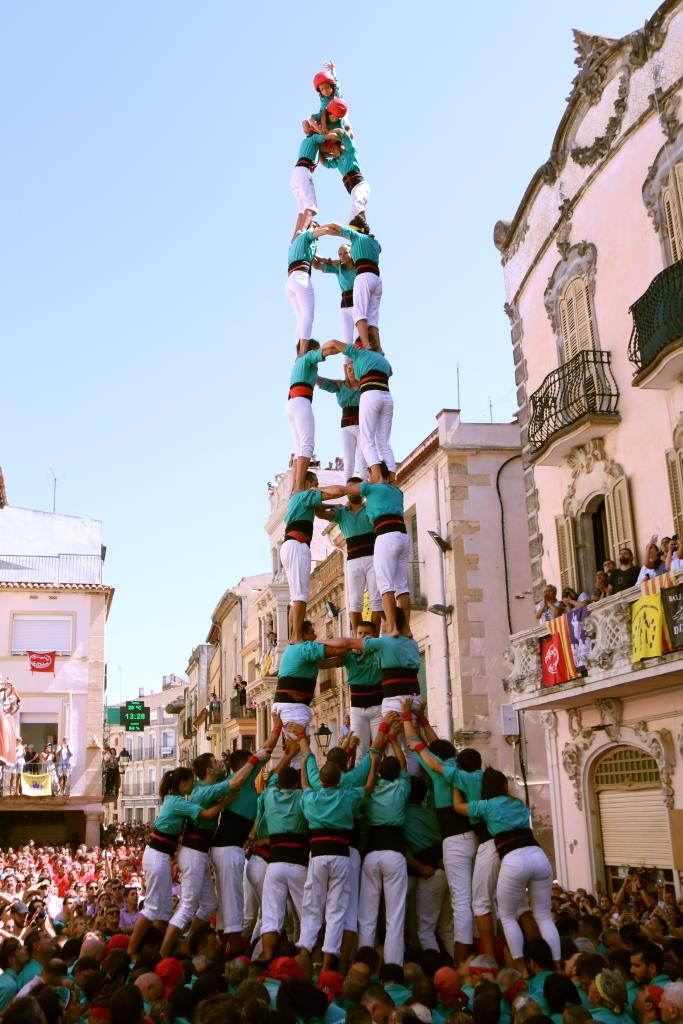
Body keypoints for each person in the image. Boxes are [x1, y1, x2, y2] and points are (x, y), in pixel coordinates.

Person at [158, 748, 271, 957]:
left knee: (210, 905)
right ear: (209, 770)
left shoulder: (208, 787)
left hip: (200, 854)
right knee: (187, 907)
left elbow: (228, 784)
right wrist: (227, 800)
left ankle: (188, 943)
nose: (221, 762)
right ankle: (163, 953)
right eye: (217, 762)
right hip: (193, 854)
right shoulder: (201, 792)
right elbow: (225, 793)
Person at [451, 767, 561, 972]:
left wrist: (455, 785)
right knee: (543, 916)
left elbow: (458, 807)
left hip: (513, 859)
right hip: (538, 855)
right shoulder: (518, 803)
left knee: (507, 915)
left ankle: (522, 969)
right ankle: (555, 966)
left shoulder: (486, 805)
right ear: (504, 786)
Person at [128, 765, 244, 957]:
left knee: (167, 910)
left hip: (161, 855)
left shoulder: (175, 799)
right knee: (153, 908)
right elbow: (207, 814)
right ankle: (136, 950)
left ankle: (164, 947)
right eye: (191, 781)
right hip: (158, 855)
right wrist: (227, 800)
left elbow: (202, 792)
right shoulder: (177, 802)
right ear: (183, 784)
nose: (194, 784)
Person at [297, 731, 377, 973]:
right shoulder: (348, 796)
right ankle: (328, 965)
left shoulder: (310, 798)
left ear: (321, 780)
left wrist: (303, 763)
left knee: (312, 905)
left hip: (318, 854)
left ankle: (305, 957)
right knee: (336, 909)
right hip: (342, 854)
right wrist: (373, 762)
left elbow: (304, 785)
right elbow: (369, 786)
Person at [209, 716, 281, 955]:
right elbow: (267, 749)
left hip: (228, 848)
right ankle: (233, 955)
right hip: (228, 849)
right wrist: (277, 726)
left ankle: (226, 949)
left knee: (229, 905)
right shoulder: (242, 778)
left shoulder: (244, 783)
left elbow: (270, 761)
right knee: (233, 906)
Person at [357, 734, 411, 965]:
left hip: (371, 854)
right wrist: (394, 743)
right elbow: (404, 765)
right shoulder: (401, 787)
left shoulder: (369, 791)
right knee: (394, 916)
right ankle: (393, 966)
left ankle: (364, 963)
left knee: (367, 916)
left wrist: (374, 765)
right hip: (395, 854)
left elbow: (369, 782)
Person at [279, 471, 347, 642]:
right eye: (315, 483)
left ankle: (293, 637)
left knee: (295, 597)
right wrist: (352, 490)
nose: (317, 486)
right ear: (307, 483)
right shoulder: (306, 494)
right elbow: (334, 491)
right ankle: (296, 637)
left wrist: (334, 506)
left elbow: (318, 510)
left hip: (289, 546)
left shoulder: (299, 499)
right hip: (298, 545)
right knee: (301, 595)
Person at [258, 740, 309, 961]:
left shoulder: (269, 796)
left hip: (275, 864)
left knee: (271, 916)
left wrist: (288, 755)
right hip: (299, 863)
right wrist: (304, 759)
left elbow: (270, 779)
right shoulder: (303, 797)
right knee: (308, 914)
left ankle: (268, 958)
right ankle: (309, 959)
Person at [343, 473, 409, 635]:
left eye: (369, 475)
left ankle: (391, 627)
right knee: (401, 587)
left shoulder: (371, 491)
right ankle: (405, 628)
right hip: (401, 535)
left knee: (384, 589)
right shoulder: (395, 491)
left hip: (384, 540)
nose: (368, 478)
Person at [272, 620, 357, 743]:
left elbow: (327, 663)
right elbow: (333, 651)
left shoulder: (296, 651)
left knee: (297, 747)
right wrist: (356, 644)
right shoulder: (304, 648)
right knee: (300, 745)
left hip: (289, 704)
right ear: (304, 635)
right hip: (293, 705)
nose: (316, 636)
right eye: (312, 632)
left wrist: (346, 659)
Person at [323, 341, 394, 482]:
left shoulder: (358, 353)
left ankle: (378, 478)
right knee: (384, 444)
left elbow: (333, 343)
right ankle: (392, 479)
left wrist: (319, 353)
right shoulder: (383, 360)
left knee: (367, 443)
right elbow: (389, 373)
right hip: (387, 397)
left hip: (371, 393)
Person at [316, 482, 382, 632]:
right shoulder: (341, 513)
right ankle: (357, 638)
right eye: (350, 489)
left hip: (373, 558)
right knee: (354, 602)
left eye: (356, 488)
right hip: (353, 561)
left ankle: (375, 635)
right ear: (346, 492)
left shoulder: (370, 508)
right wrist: (331, 505)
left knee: (376, 601)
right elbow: (319, 513)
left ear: (361, 491)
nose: (353, 492)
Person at [318, 222, 382, 351]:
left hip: (364, 276)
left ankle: (366, 345)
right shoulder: (375, 243)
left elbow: (335, 226)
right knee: (372, 319)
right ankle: (379, 348)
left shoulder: (356, 237)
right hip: (377, 279)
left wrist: (318, 230)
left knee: (359, 314)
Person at [286, 340, 327, 494]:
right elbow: (325, 351)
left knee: (299, 449)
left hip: (292, 403)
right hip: (301, 401)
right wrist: (339, 347)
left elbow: (321, 381)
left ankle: (294, 487)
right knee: (307, 445)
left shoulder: (300, 365)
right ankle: (298, 487)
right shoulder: (308, 358)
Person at [316, 366, 366, 481]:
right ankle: (349, 491)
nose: (352, 371)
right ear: (345, 371)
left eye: (354, 368)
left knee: (363, 460)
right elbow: (321, 382)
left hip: (363, 426)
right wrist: (311, 369)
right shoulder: (340, 385)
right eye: (349, 369)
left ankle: (365, 490)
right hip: (346, 427)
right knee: (349, 462)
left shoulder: (365, 385)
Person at [290, 126, 341, 240]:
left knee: (302, 209)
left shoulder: (307, 142)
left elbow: (324, 153)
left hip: (296, 173)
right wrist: (334, 133)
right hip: (304, 171)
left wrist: (332, 151)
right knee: (311, 207)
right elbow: (331, 136)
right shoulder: (314, 138)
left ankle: (295, 236)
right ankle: (302, 230)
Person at [285, 224, 328, 357]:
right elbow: (325, 230)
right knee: (308, 316)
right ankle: (302, 352)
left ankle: (298, 352)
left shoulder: (297, 242)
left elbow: (315, 263)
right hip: (301, 278)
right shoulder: (308, 234)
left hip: (290, 281)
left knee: (301, 318)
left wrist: (325, 260)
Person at [321, 117, 371, 225]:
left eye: (333, 149)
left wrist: (327, 134)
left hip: (360, 185)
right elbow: (324, 162)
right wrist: (318, 146)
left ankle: (359, 226)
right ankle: (358, 228)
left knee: (358, 203)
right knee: (353, 214)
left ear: (340, 146)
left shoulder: (350, 151)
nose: (333, 152)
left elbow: (340, 132)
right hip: (352, 190)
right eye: (331, 151)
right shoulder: (337, 161)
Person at [314, 245, 356, 350]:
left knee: (360, 339)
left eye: (346, 253)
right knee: (347, 341)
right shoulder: (338, 268)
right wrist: (327, 260)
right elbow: (316, 265)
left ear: (352, 253)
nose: (343, 256)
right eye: (340, 254)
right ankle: (347, 365)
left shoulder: (359, 266)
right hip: (345, 306)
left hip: (359, 303)